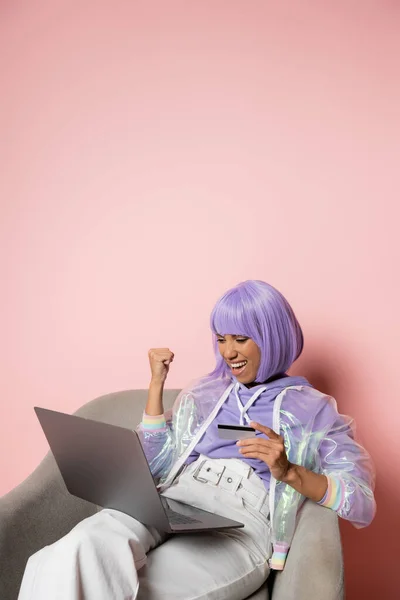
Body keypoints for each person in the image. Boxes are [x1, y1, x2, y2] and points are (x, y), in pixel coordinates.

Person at [18, 280, 376, 600]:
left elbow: (360, 501)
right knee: (65, 555)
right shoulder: (205, 393)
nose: (228, 352)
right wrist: (156, 386)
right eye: (221, 339)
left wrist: (290, 472)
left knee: (143, 591)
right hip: (174, 497)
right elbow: (155, 463)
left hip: (240, 518)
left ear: (271, 337)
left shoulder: (313, 409)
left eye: (240, 339)